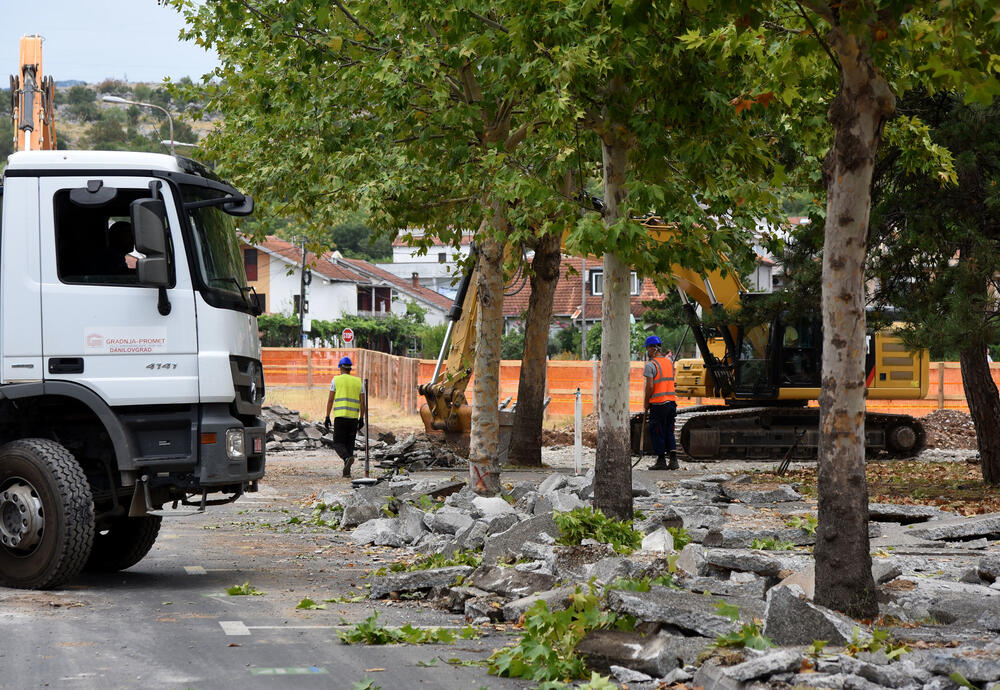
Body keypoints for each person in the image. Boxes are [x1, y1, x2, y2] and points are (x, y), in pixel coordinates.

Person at [324, 356, 366, 477]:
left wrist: (327, 416)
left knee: (337, 443)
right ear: (350, 369)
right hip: (353, 419)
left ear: (340, 368)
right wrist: (361, 418)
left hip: (340, 417)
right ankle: (347, 472)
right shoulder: (358, 382)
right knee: (349, 445)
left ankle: (347, 459)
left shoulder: (336, 380)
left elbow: (330, 400)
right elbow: (362, 403)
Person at [643, 335, 678, 470]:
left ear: (653, 348)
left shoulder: (651, 365)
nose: (647, 351)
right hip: (671, 403)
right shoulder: (669, 363)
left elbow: (650, 387)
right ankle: (673, 460)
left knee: (657, 431)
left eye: (647, 348)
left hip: (658, 404)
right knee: (669, 430)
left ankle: (661, 460)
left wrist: (646, 402)